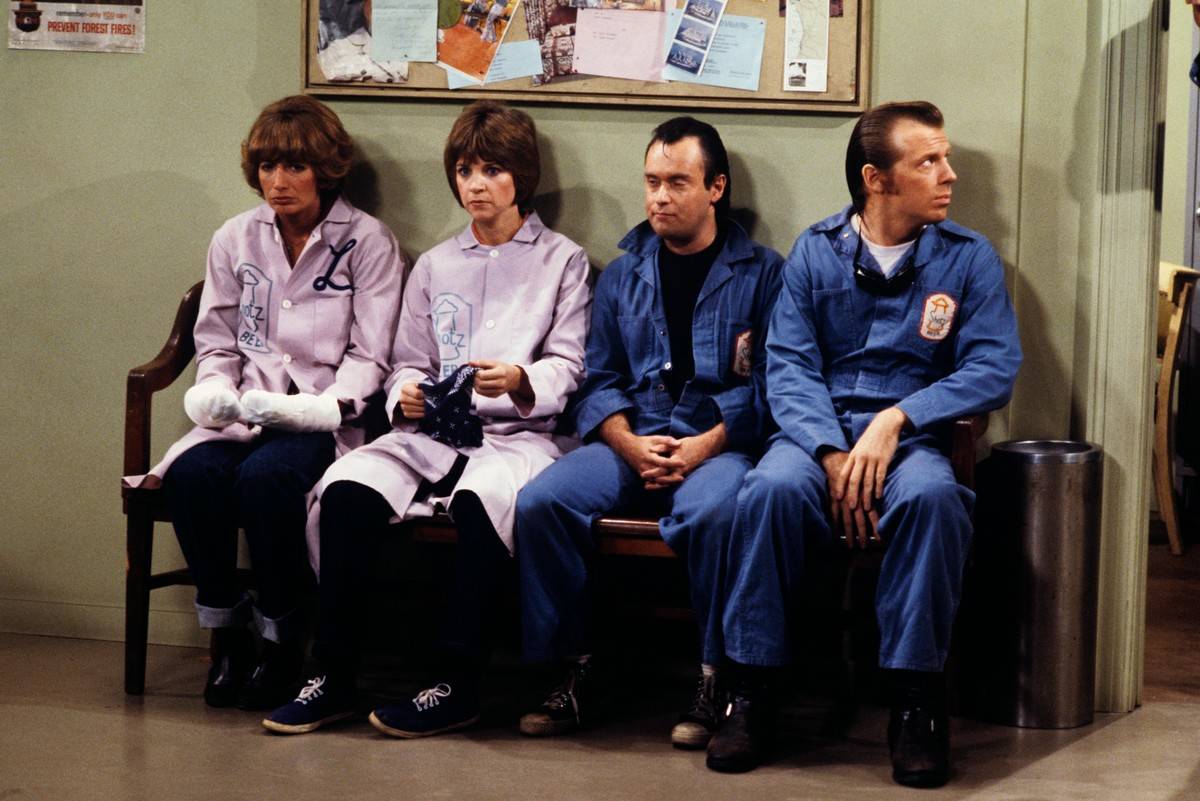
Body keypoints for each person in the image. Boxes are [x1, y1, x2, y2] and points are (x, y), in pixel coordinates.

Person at [715, 101, 1022, 783]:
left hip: (909, 440)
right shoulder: (815, 252)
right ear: (876, 179)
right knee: (766, 489)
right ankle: (752, 691)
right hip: (814, 436)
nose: (950, 174)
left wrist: (897, 419)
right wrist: (829, 451)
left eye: (945, 157)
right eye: (928, 161)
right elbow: (786, 364)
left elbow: (994, 366)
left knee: (937, 498)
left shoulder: (967, 260)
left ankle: (917, 704)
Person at [263, 100, 591, 737]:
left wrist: (523, 380)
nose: (476, 184)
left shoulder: (562, 261)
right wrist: (407, 393)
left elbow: (570, 364)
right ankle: (332, 673)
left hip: (519, 438)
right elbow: (408, 360)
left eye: (493, 170)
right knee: (347, 491)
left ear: (522, 176)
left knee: (481, 506)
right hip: (433, 434)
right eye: (466, 169)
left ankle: (458, 681)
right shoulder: (438, 264)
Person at [122, 95, 406, 710]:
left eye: (295, 167)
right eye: (268, 168)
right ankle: (227, 638)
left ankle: (282, 638)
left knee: (267, 481)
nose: (279, 182)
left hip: (322, 420)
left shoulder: (367, 241)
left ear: (326, 170)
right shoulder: (235, 238)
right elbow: (216, 339)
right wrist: (217, 390)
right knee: (195, 476)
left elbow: (371, 355)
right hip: (245, 413)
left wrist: (323, 409)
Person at [514, 117, 783, 748]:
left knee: (718, 512)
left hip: (719, 443)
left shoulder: (764, 273)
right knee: (542, 503)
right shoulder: (626, 271)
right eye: (651, 182)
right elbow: (597, 377)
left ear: (715, 187)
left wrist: (707, 443)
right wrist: (627, 442)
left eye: (677, 183)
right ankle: (576, 668)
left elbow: (774, 386)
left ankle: (715, 677)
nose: (659, 197)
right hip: (633, 436)